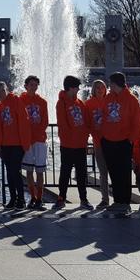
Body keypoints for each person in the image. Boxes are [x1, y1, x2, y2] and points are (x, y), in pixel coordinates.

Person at [100, 72, 140, 217]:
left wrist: (130, 139)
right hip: (108, 140)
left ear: (115, 83)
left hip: (124, 141)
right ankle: (117, 201)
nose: (109, 86)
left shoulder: (131, 99)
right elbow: (104, 116)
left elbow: (137, 122)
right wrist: (103, 135)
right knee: (113, 172)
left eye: (110, 83)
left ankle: (125, 202)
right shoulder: (108, 98)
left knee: (124, 173)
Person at [0, 81, 31, 210]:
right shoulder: (0, 107)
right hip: (5, 145)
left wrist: (25, 143)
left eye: (2, 90)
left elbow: (24, 121)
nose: (0, 93)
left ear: (7, 89)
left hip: (17, 144)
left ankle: (21, 199)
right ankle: (13, 198)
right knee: (9, 173)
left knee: (15, 171)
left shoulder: (16, 100)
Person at [55, 75, 91, 209]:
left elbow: (86, 122)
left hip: (80, 145)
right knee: (65, 172)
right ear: (70, 88)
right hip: (68, 145)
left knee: (82, 173)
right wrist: (71, 138)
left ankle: (84, 199)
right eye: (77, 87)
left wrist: (84, 137)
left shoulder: (80, 103)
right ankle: (61, 198)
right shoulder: (61, 103)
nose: (78, 89)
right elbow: (62, 124)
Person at [19, 76, 50, 210]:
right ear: (26, 86)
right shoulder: (20, 100)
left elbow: (45, 121)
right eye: (31, 84)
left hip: (39, 140)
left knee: (40, 171)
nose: (33, 87)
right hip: (26, 140)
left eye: (35, 84)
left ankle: (39, 198)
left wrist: (37, 134)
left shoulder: (42, 102)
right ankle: (32, 197)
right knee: (29, 170)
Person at [85, 80, 110, 207]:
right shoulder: (88, 104)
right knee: (103, 171)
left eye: (103, 87)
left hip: (112, 141)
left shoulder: (110, 101)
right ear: (93, 90)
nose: (100, 89)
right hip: (98, 142)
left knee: (114, 171)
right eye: (98, 87)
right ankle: (105, 198)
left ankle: (118, 198)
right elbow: (87, 123)